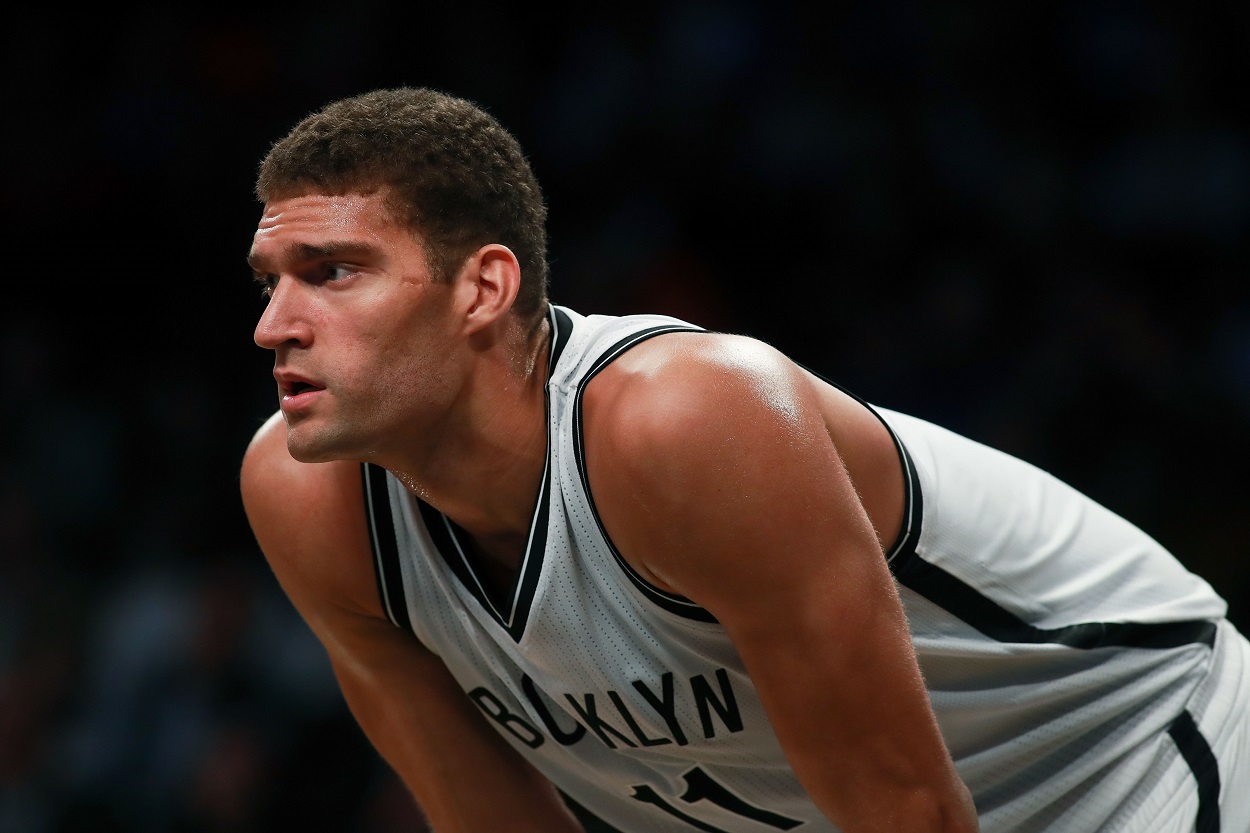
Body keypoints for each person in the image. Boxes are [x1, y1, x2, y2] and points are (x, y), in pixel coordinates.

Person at [239, 86, 1249, 833]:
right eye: (270, 280)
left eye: (330, 272)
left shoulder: (683, 421)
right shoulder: (302, 497)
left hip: (1126, 759)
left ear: (482, 288)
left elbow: (908, 811)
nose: (274, 324)